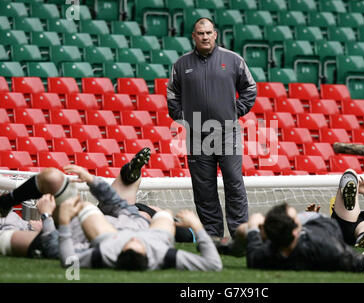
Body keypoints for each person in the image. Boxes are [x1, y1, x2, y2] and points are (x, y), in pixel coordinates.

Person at [0, 148, 194, 259]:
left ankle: (129, 174)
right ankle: (6, 202)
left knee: (52, 178)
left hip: (69, 223)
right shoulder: (142, 227)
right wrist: (91, 180)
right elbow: (116, 202)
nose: (134, 241)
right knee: (130, 196)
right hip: (104, 213)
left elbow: (56, 248)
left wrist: (47, 216)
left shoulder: (101, 251)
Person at [167, 17, 257, 239]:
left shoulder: (233, 60)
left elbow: (250, 88)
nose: (205, 37)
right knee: (203, 189)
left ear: (215, 34)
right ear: (194, 37)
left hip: (228, 133)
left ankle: (240, 235)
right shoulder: (181, 65)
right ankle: (212, 236)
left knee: (234, 184)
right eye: (200, 33)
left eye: (208, 32)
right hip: (197, 136)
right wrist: (183, 118)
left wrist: (235, 111)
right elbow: (172, 95)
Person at [219, 203, 364, 275]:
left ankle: (225, 247)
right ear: (296, 230)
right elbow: (362, 265)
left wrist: (255, 228)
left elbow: (254, 254)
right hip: (324, 222)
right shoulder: (325, 248)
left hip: (294, 230)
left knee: (243, 228)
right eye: (295, 216)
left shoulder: (265, 255)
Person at [57, 193, 222, 271]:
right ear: (148, 255)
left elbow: (68, 261)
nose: (134, 240)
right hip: (156, 236)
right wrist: (198, 228)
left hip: (110, 235)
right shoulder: (164, 256)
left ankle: (52, 212)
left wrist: (64, 222)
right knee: (165, 213)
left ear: (120, 252)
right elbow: (214, 265)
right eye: (138, 245)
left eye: (129, 244)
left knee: (85, 206)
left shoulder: (105, 253)